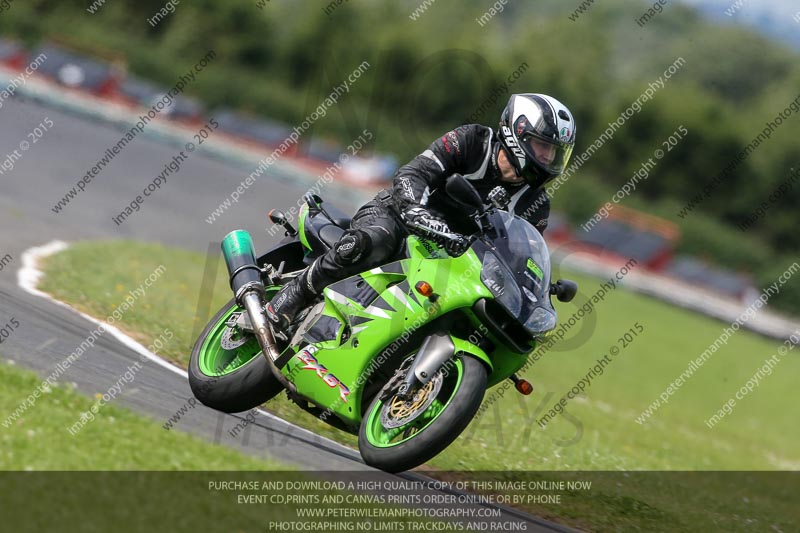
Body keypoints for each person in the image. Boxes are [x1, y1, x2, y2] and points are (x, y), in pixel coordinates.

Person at [266, 93, 576, 331]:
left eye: (554, 152)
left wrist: (534, 291)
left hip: (451, 260)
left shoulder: (535, 204)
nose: (548, 158)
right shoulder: (472, 141)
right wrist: (416, 211)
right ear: (516, 134)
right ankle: (293, 295)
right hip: (398, 217)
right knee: (376, 239)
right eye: (543, 147)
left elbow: (520, 256)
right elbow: (413, 173)